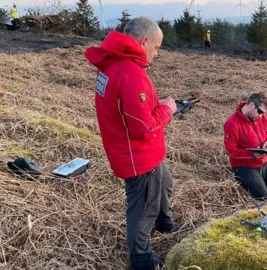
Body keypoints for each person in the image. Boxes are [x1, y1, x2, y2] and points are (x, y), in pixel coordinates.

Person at [84, 17, 177, 270]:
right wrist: (168, 110)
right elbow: (143, 127)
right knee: (143, 207)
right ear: (144, 41)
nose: (156, 53)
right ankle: (142, 259)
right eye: (156, 47)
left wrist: (158, 106)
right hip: (138, 157)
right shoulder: (130, 73)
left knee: (165, 182)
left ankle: (165, 223)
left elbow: (132, 111)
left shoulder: (112, 64)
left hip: (132, 151)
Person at [223, 92, 267, 199]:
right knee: (264, 197)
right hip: (244, 167)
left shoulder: (261, 118)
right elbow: (231, 151)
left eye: (263, 113)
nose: (261, 115)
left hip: (264, 163)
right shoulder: (232, 124)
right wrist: (252, 154)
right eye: (260, 112)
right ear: (252, 105)